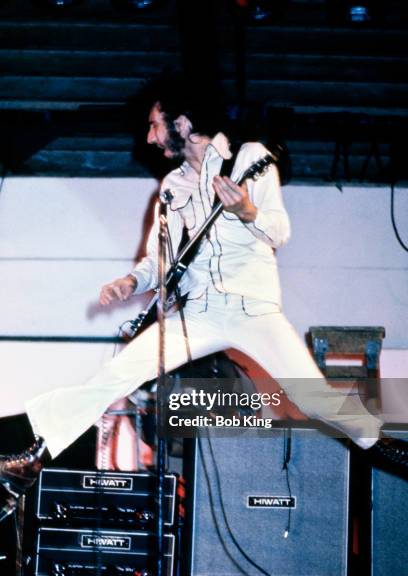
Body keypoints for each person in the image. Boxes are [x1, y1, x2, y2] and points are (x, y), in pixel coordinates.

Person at [1, 77, 407, 521]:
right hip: (201, 314)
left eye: (155, 125)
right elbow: (158, 262)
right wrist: (130, 284)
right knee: (118, 373)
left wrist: (246, 211)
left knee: (315, 400)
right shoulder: (172, 188)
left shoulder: (250, 158)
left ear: (183, 121)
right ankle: (33, 458)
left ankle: (392, 451)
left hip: (255, 311)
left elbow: (279, 230)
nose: (150, 137)